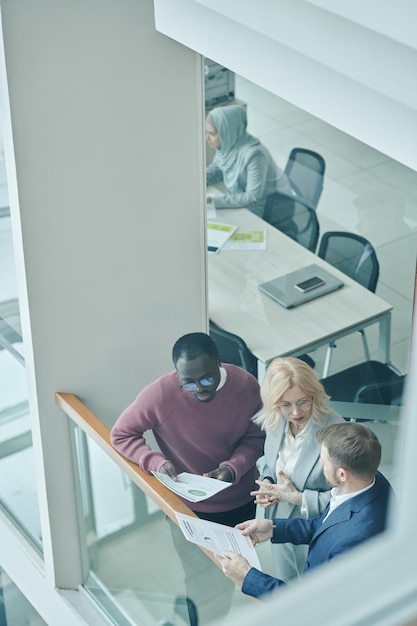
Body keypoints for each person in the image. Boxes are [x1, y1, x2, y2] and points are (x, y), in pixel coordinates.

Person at [110, 332, 264, 622]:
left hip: (241, 499)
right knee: (201, 581)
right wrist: (154, 461)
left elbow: (256, 439)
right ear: (177, 374)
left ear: (219, 363)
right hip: (187, 508)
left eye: (206, 379)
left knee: (235, 574)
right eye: (188, 383)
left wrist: (232, 468)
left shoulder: (245, 385)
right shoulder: (160, 394)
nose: (198, 390)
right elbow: (121, 434)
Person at [215, 422, 393, 599]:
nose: (320, 464)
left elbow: (312, 603)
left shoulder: (353, 542)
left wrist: (247, 576)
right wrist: (274, 528)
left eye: (323, 463)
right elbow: (329, 526)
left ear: (342, 475)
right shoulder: (371, 479)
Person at [250, 357, 344, 583]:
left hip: (317, 531)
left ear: (314, 394)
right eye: (286, 404)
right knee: (287, 587)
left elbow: (349, 502)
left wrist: (298, 498)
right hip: (278, 524)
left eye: (303, 402)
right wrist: (267, 481)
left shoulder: (336, 432)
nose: (295, 412)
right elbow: (269, 461)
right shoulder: (276, 421)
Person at [206, 104, 293, 217]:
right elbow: (216, 169)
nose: (206, 138)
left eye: (212, 134)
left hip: (273, 206)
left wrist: (213, 202)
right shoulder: (228, 145)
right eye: (206, 132)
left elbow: (252, 197)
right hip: (249, 198)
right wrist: (195, 183)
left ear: (226, 132)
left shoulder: (255, 155)